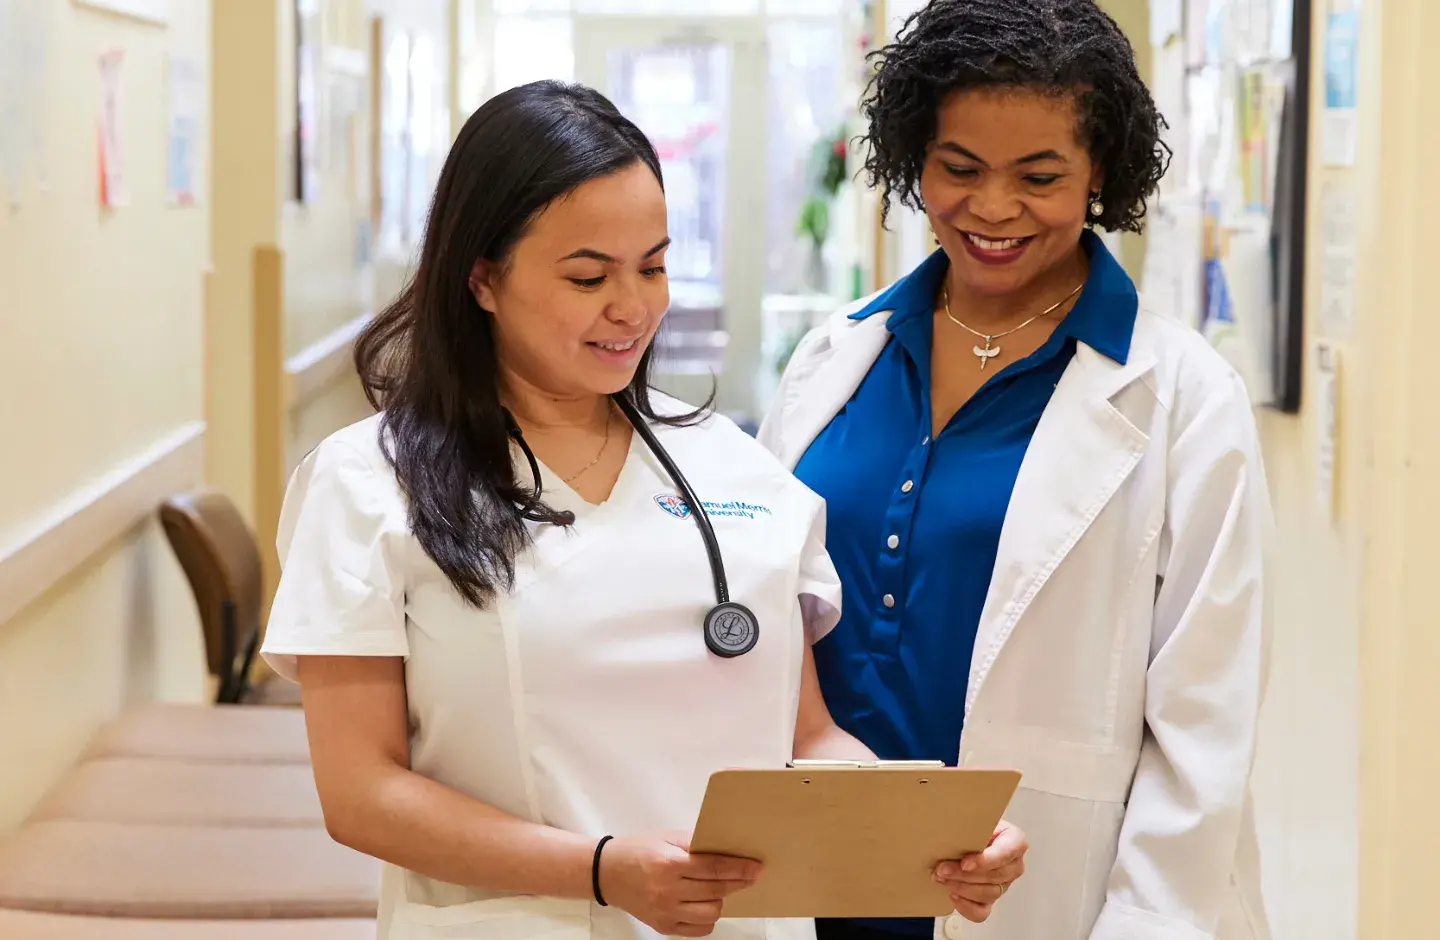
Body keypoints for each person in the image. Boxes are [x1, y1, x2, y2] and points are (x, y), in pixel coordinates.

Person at [259, 81, 1027, 940]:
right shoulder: (369, 483)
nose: (634, 307)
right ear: (482, 277)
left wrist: (936, 832)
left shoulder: (744, 474)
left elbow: (808, 741)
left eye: (654, 265)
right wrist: (600, 871)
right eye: (589, 276)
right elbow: (361, 793)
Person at [759, 3, 1274, 939]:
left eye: (1039, 177)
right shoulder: (836, 357)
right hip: (818, 885)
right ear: (916, 158)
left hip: (1052, 899)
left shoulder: (1184, 400)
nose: (992, 209)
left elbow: (1204, 727)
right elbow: (760, 615)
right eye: (959, 169)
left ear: (1099, 176)